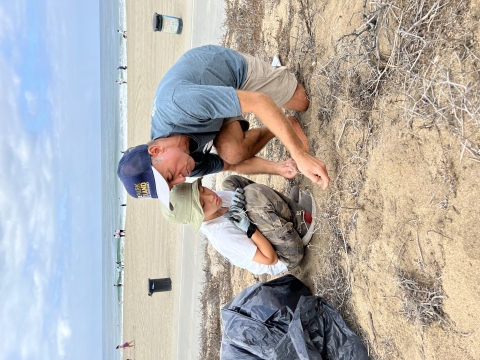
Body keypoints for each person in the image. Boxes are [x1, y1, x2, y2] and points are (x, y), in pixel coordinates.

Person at [117, 45, 329, 210]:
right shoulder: (186, 163)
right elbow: (231, 165)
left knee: (302, 101)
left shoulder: (179, 105)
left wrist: (299, 155)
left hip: (227, 72)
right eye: (172, 185)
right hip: (214, 111)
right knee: (233, 152)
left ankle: (268, 71)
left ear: (156, 150)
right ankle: (283, 125)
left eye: (170, 175)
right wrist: (277, 168)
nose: (182, 179)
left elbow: (259, 102)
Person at [162, 175, 316, 275]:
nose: (210, 196)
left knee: (231, 182)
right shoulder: (222, 235)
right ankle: (302, 224)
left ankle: (287, 211)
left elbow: (235, 197)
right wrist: (249, 229)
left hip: (271, 237)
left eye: (202, 189)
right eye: (202, 203)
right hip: (286, 255)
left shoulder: (213, 202)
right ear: (198, 217)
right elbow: (271, 259)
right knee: (252, 196)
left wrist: (241, 204)